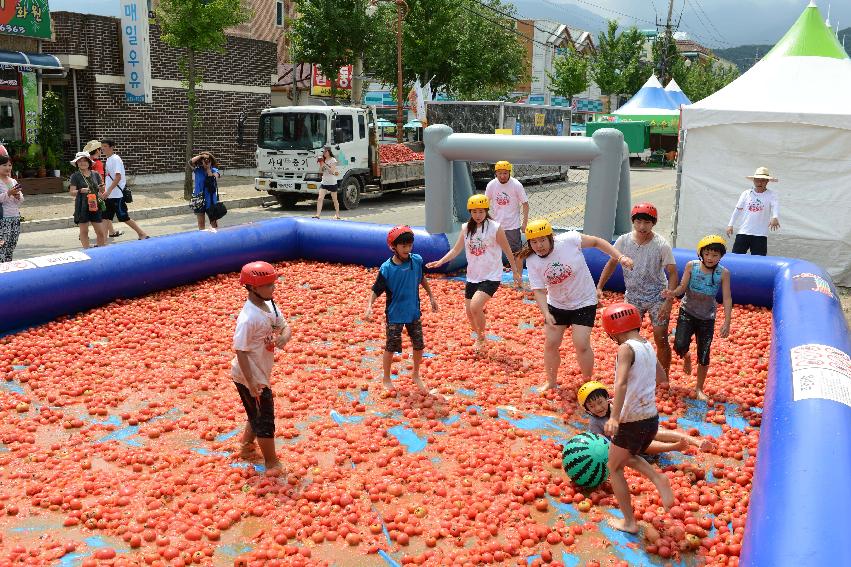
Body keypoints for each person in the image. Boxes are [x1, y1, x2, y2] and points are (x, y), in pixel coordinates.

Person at [519, 219, 634, 392]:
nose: (539, 246)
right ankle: (551, 382)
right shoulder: (532, 260)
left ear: (551, 238)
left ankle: (587, 381)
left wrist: (620, 256)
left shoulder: (569, 241)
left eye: (542, 240)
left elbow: (596, 242)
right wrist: (546, 313)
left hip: (584, 301)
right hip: (557, 304)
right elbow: (539, 290)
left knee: (581, 344)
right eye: (534, 242)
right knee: (551, 343)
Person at [598, 302, 674, 534]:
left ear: (613, 329)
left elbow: (620, 383)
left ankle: (629, 522)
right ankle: (657, 478)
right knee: (624, 457)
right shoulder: (647, 345)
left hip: (631, 421)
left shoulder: (625, 349)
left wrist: (614, 418)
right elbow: (662, 376)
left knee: (614, 466)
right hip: (650, 417)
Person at [426, 195, 522, 353]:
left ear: (486, 211)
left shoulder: (495, 227)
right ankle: (479, 336)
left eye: (481, 211)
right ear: (470, 212)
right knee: (470, 313)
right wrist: (440, 262)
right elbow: (456, 250)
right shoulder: (466, 228)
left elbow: (507, 250)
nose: (478, 215)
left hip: (491, 276)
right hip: (473, 276)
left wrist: (515, 272)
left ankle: (481, 338)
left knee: (476, 306)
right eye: (475, 212)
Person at [596, 203, 678, 374]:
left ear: (653, 223)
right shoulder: (623, 241)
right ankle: (631, 374)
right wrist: (599, 287)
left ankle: (663, 376)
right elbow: (612, 262)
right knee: (627, 339)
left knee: (660, 337)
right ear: (633, 221)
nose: (642, 227)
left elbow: (672, 272)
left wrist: (669, 301)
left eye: (647, 223)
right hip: (633, 296)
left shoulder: (661, 244)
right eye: (639, 221)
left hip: (657, 295)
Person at [232, 261, 291, 475]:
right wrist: (252, 382)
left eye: (273, 283)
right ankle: (271, 462)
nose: (273, 288)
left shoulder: (270, 306)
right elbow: (240, 350)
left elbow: (283, 325)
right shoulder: (248, 319)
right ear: (252, 287)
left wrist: (284, 336)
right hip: (249, 374)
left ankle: (247, 447)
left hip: (260, 370)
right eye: (267, 285)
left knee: (255, 411)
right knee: (265, 416)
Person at [365, 225, 438, 394]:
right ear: (394, 247)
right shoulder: (387, 268)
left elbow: (422, 279)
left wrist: (431, 296)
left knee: (419, 345)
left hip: (413, 312)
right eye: (403, 246)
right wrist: (369, 306)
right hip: (395, 314)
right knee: (391, 347)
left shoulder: (416, 261)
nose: (407, 249)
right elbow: (376, 289)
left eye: (410, 245)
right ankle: (386, 378)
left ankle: (416, 374)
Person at [662, 235, 732, 401]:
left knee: (704, 354)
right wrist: (672, 293)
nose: (710, 258)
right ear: (701, 253)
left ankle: (699, 388)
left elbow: (727, 298)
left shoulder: (723, 273)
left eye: (715, 255)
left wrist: (727, 321)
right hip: (687, 312)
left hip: (707, 318)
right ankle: (686, 356)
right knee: (679, 345)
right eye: (707, 254)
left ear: (721, 256)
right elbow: (681, 288)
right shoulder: (691, 266)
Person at [577, 380, 713, 455]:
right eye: (592, 406)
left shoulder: (615, 405)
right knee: (639, 444)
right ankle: (674, 447)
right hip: (623, 447)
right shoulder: (595, 423)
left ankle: (698, 442)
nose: (598, 408)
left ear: (607, 398)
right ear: (587, 409)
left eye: (600, 402)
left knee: (658, 432)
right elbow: (601, 443)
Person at [726, 166, 780, 256]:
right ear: (753, 180)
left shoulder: (771, 195)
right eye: (757, 180)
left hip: (760, 234)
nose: (759, 183)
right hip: (744, 231)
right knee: (736, 257)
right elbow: (738, 209)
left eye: (763, 180)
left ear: (767, 181)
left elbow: (775, 206)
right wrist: (730, 224)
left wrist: (775, 217)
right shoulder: (746, 193)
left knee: (759, 260)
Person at [101, 139, 148, 240]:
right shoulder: (109, 159)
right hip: (109, 195)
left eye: (105, 146)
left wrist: (108, 190)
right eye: (102, 146)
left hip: (117, 195)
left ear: (111, 147)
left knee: (123, 217)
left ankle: (142, 233)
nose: (102, 148)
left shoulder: (115, 159)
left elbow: (118, 177)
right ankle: (103, 241)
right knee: (105, 217)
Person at [485, 161, 529, 257]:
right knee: (495, 248)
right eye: (499, 173)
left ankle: (516, 269)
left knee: (516, 250)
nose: (502, 176)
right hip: (497, 225)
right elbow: (485, 204)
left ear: (509, 172)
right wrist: (487, 219)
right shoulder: (491, 185)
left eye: (505, 173)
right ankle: (501, 268)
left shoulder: (516, 185)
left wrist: (525, 223)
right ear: (495, 173)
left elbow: (525, 204)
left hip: (512, 225)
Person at [68, 151, 108, 249]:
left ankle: (101, 252)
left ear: (89, 162)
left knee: (100, 232)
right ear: (77, 163)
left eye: (85, 160)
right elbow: (72, 192)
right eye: (80, 161)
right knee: (84, 231)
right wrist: (81, 190)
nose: (82, 163)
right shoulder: (75, 176)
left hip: (95, 205)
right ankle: (87, 251)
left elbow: (100, 190)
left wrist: (102, 188)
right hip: (82, 206)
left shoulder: (95, 174)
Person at [189, 152, 222, 231]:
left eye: (208, 160)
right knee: (201, 223)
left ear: (211, 161)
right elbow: (190, 162)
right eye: (204, 160)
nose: (206, 161)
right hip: (199, 199)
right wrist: (201, 156)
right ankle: (203, 238)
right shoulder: (197, 170)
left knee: (213, 222)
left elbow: (213, 178)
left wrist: (208, 169)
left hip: (210, 200)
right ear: (201, 161)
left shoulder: (215, 170)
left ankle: (216, 238)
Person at [0, 155, 23, 261]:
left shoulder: (13, 181)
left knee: (11, 246)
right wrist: (8, 193)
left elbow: (21, 200)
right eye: (4, 165)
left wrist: (18, 196)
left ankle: (8, 270)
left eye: (10, 165)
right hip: (2, 219)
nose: (8, 167)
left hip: (15, 217)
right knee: (2, 247)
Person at [313, 146, 340, 220]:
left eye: (325, 152)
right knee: (320, 198)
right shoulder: (323, 160)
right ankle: (317, 215)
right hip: (324, 182)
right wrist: (321, 164)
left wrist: (325, 165)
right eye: (323, 152)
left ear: (329, 152)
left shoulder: (333, 160)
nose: (324, 153)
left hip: (332, 182)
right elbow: (320, 172)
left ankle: (337, 214)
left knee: (334, 199)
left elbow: (332, 171)